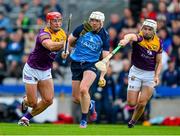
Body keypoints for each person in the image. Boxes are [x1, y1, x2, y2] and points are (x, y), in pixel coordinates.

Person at [18, 11, 66, 126]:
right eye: (55, 21)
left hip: (45, 70)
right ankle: (26, 101)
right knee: (33, 103)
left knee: (48, 100)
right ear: (48, 22)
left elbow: (65, 48)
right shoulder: (43, 33)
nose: (58, 23)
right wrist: (64, 44)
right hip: (32, 69)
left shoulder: (62, 34)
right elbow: (50, 46)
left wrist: (66, 52)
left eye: (59, 21)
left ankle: (25, 118)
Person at [62, 11, 109, 128]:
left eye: (97, 21)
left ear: (101, 23)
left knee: (84, 89)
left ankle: (84, 120)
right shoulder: (82, 28)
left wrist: (102, 76)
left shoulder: (104, 35)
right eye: (92, 20)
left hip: (91, 64)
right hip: (76, 63)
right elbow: (69, 41)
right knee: (76, 98)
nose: (93, 23)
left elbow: (105, 59)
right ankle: (90, 105)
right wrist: (66, 51)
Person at [118, 19, 162, 128]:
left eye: (149, 30)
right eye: (145, 29)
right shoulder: (139, 37)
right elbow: (130, 36)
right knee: (131, 103)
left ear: (154, 31)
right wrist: (124, 40)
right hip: (136, 72)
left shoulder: (158, 42)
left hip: (150, 74)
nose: (146, 31)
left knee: (142, 103)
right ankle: (138, 95)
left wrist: (156, 75)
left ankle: (132, 122)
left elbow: (159, 62)